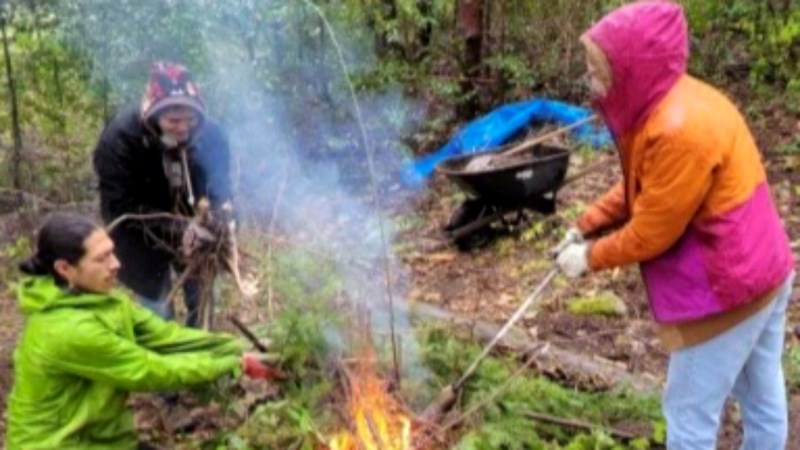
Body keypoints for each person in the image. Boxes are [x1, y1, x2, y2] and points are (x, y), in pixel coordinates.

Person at [552, 2, 795, 449]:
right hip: (765, 267)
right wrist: (585, 226)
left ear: (631, 65)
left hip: (730, 291)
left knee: (688, 413)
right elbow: (639, 186)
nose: (591, 79)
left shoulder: (679, 128)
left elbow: (650, 232)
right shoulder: (665, 101)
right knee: (761, 397)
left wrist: (588, 259)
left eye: (597, 68)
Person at [4, 214, 273, 449]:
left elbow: (169, 338)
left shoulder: (103, 299)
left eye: (111, 252)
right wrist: (234, 364)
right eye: (101, 258)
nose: (116, 264)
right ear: (65, 268)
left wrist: (240, 347)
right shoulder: (65, 331)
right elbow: (151, 370)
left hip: (101, 439)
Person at [93, 61, 232, 327]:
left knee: (202, 298)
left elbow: (221, 188)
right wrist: (179, 228)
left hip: (198, 231)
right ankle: (162, 356)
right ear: (153, 115)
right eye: (173, 120)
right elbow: (122, 206)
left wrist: (221, 219)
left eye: (189, 120)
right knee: (156, 308)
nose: (182, 128)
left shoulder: (211, 134)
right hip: (139, 233)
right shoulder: (120, 139)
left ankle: (199, 351)